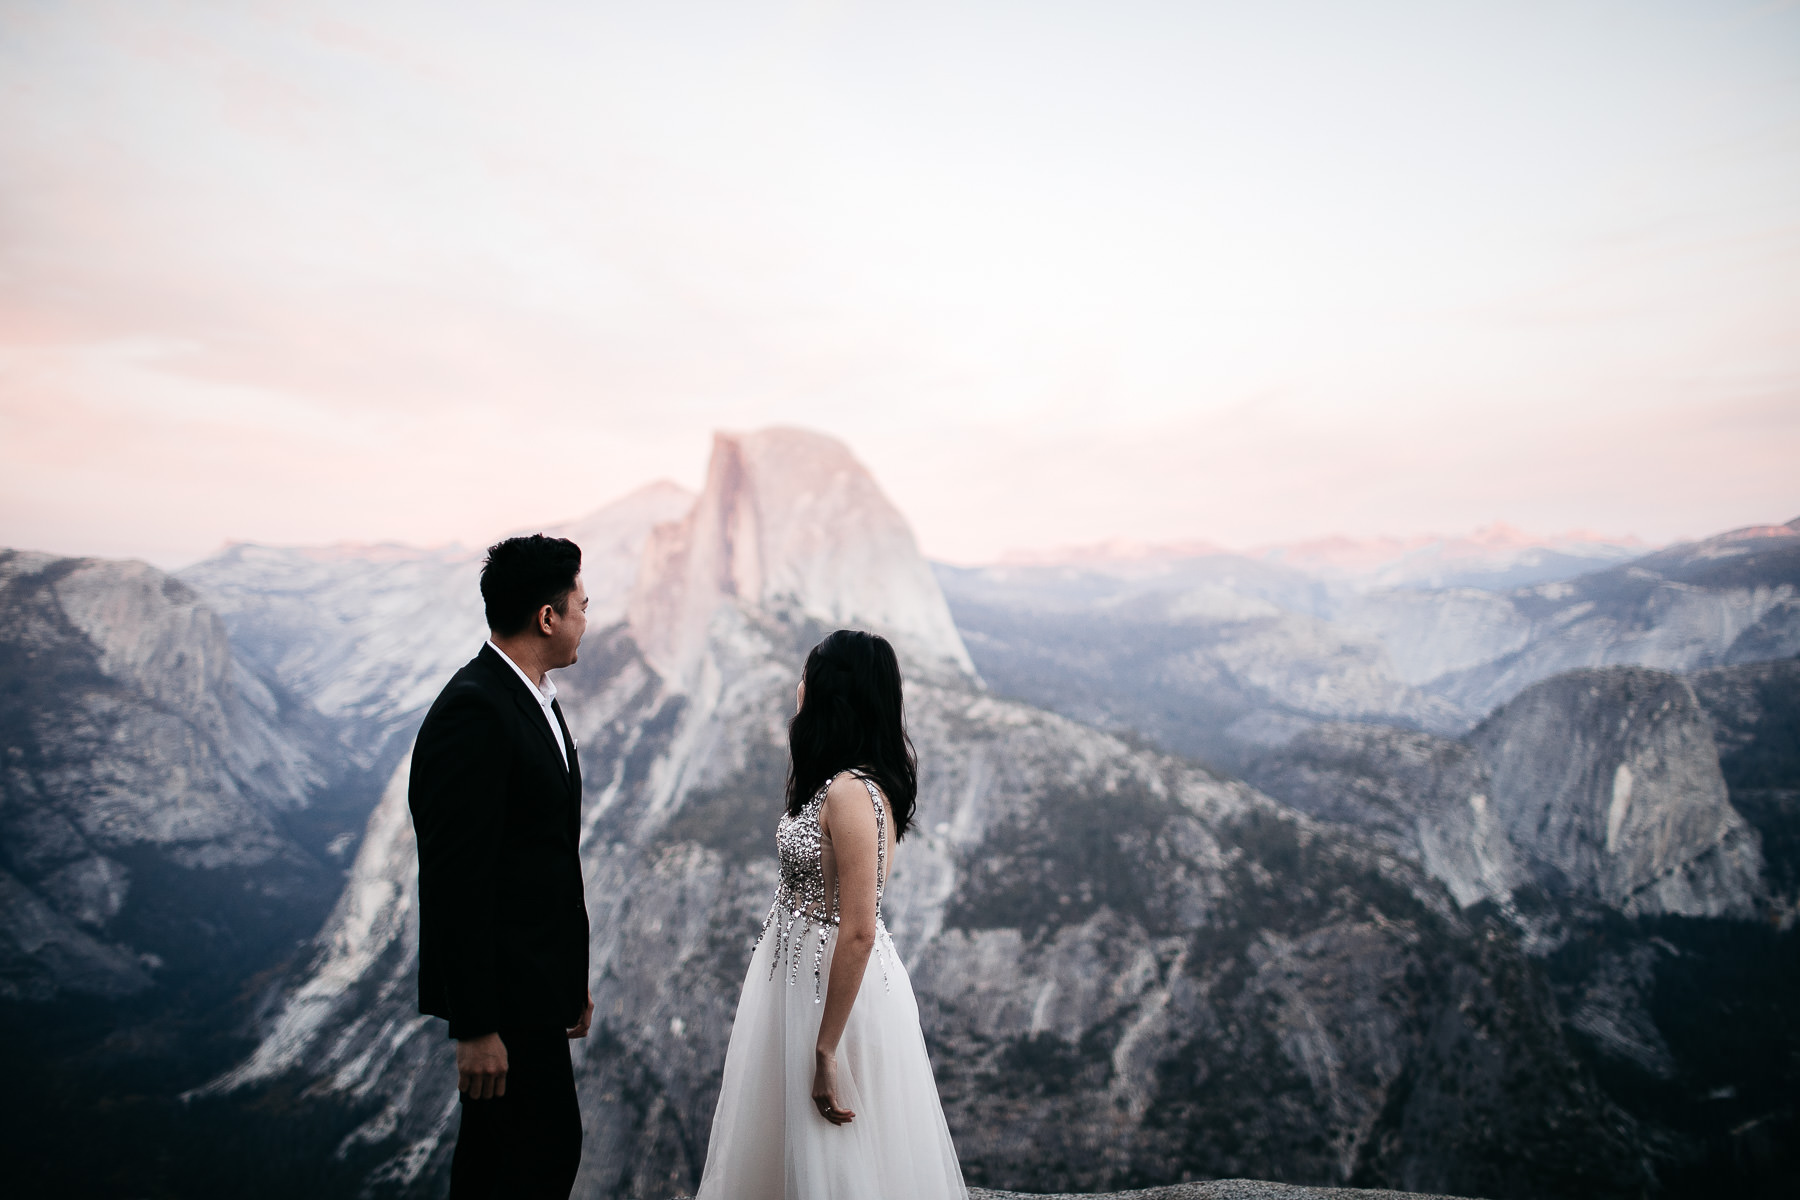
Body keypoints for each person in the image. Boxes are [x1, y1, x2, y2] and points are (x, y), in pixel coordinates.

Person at [695, 629, 968, 1199]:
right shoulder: (840, 782)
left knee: (832, 1156)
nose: (798, 686)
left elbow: (861, 929)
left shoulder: (850, 793)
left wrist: (826, 1047)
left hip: (831, 991)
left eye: (807, 676)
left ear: (830, 694)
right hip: (798, 980)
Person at [409, 534, 596, 1199]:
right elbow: (457, 877)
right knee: (519, 1167)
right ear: (547, 618)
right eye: (580, 604)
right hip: (503, 1008)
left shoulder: (531, 697)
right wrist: (476, 1025)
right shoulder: (477, 710)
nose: (585, 619)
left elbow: (541, 859)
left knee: (528, 1160)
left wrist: (570, 980)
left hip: (536, 993)